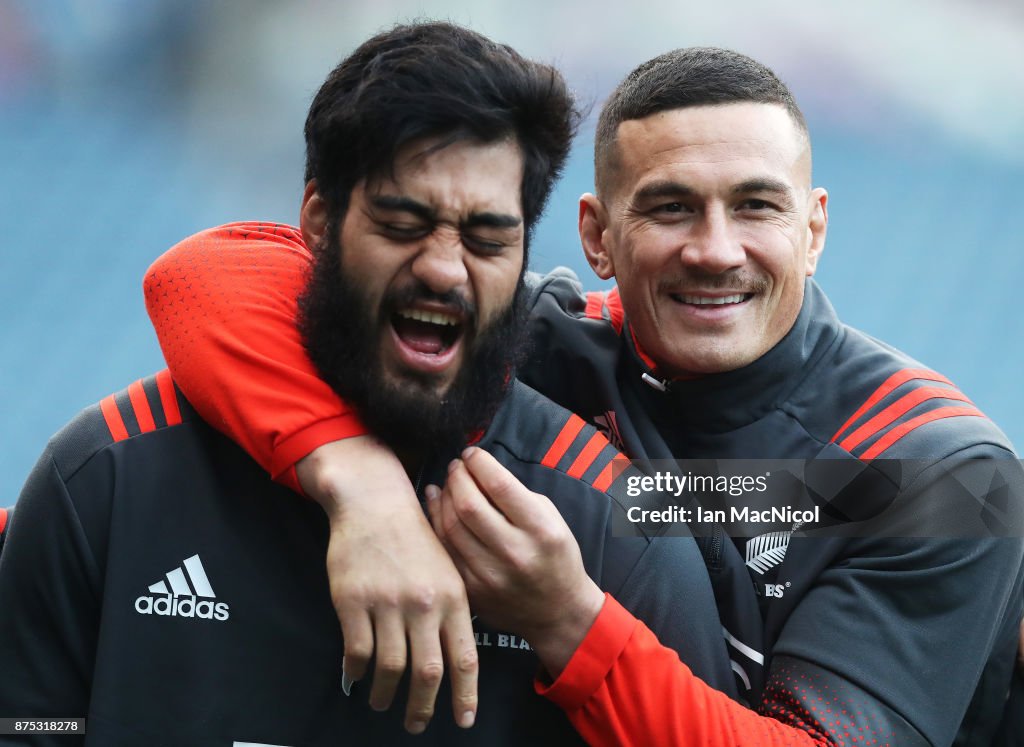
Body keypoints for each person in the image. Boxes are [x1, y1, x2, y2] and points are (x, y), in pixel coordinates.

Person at [143, 45, 1024, 745]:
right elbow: (207, 273)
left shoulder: (942, 474)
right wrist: (360, 486)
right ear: (597, 237)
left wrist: (570, 617)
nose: (715, 249)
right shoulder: (546, 342)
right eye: (671, 208)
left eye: (756, 207)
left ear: (814, 228)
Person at [0, 24, 753, 746]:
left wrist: (564, 619)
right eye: (402, 223)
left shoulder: (617, 536)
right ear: (319, 223)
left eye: (488, 237)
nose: (444, 267)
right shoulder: (101, 480)